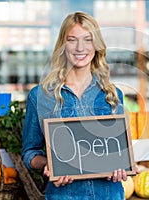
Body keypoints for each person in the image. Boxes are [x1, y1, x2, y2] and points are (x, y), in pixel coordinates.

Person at [22, 11, 128, 199]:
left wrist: (122, 166)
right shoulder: (40, 96)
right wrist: (49, 164)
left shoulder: (112, 95)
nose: (81, 47)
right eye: (72, 40)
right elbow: (29, 153)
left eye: (88, 40)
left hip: (109, 194)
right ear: (63, 45)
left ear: (96, 45)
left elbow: (120, 151)